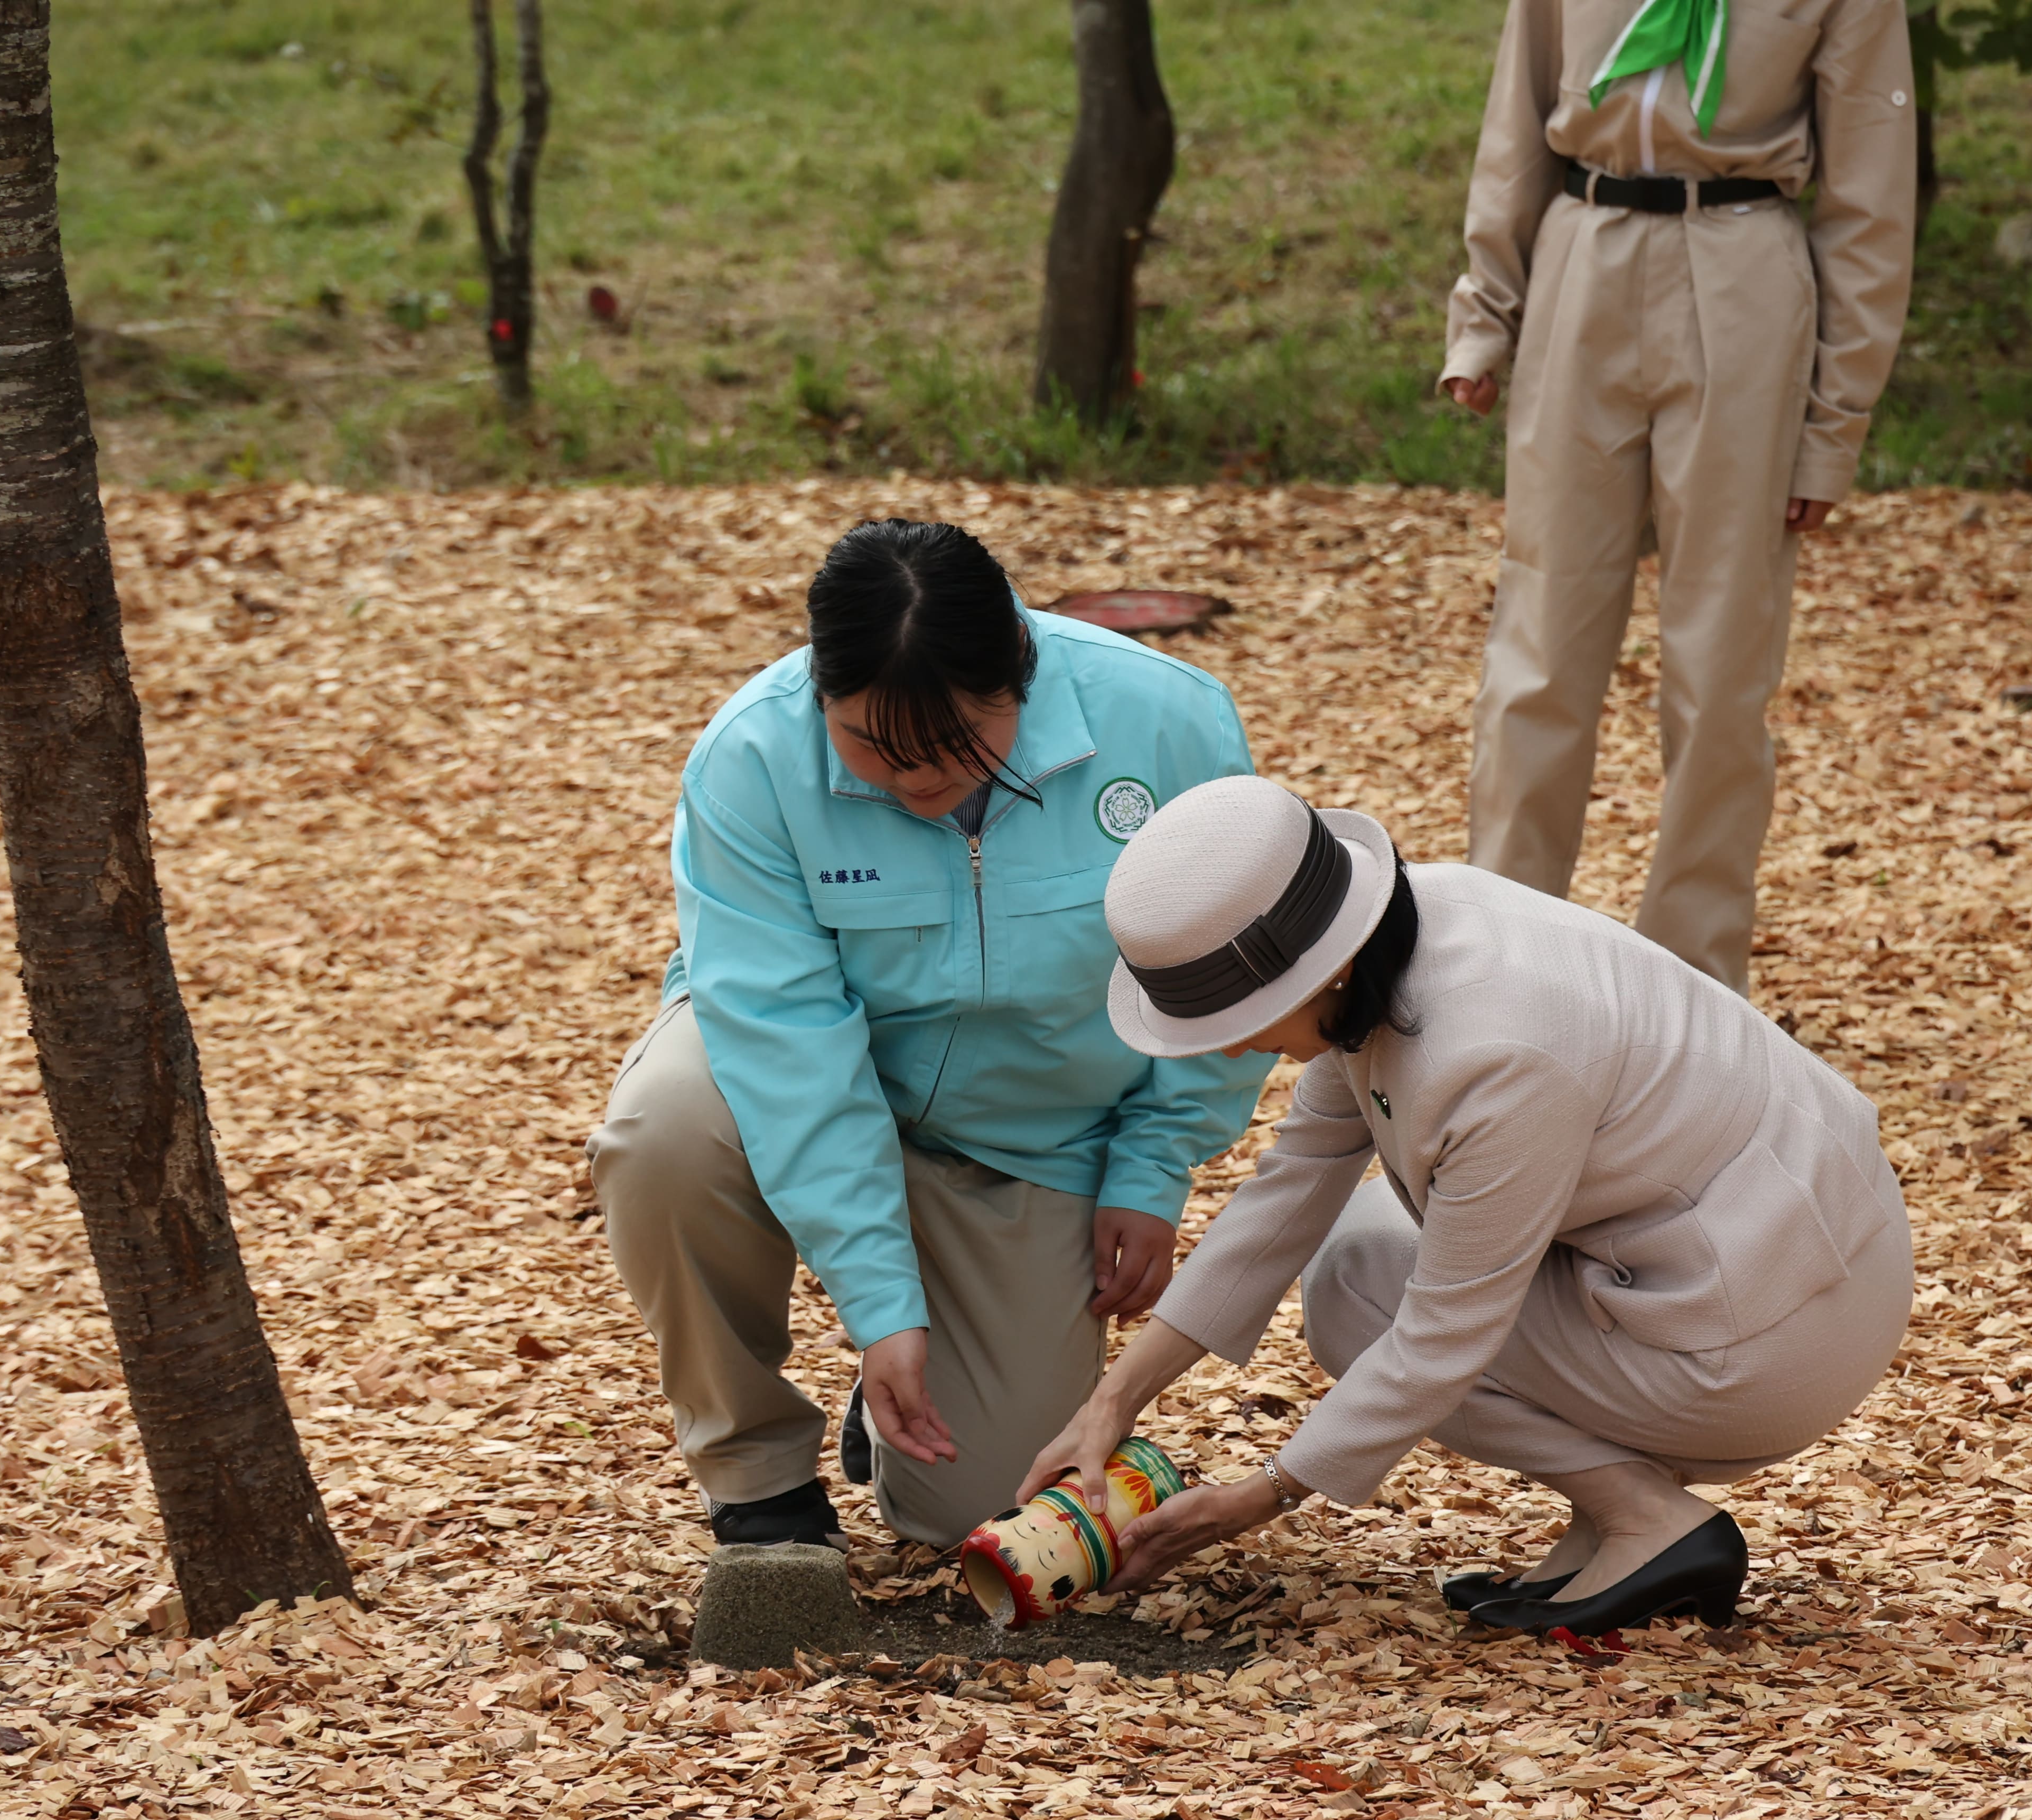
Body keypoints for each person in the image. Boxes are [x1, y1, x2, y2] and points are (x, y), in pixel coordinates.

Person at [1019, 776, 1914, 1635]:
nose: (1229, 1051)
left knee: (1359, 1295)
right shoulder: (1402, 941)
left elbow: (1447, 1329)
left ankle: (1646, 1518)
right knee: (1363, 1247)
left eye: (1233, 1021)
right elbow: (1287, 1191)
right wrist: (1113, 1403)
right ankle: (1623, 1514)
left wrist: (1267, 1493)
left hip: (1778, 1329)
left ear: (1310, 979)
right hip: (1770, 1255)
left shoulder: (1498, 1053)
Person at [588, 521, 1271, 1552]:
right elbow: (786, 1044)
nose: (914, 781)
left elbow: (1231, 970)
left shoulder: (1170, 724)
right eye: (872, 746)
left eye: (952, 744)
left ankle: (899, 1400)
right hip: (809, 1082)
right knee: (664, 1133)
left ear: (1021, 681)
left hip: (1032, 1132)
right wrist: (879, 1301)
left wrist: (1151, 1163)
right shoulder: (753, 758)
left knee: (984, 1509)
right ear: (821, 692)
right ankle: (759, 1480)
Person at [1442, 0, 1917, 997]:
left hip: (1742, 263)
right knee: (1540, 637)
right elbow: (1516, 117)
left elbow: (1871, 197)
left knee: (1722, 664)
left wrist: (1834, 427)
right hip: (1583, 248)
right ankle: (1500, 963)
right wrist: (1486, 314)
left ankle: (1694, 981)